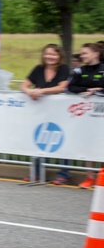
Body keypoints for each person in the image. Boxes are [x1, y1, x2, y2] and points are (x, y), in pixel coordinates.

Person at [20, 44, 70, 184]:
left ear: (59, 56)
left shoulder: (64, 69)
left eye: (54, 54)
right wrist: (29, 92)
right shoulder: (38, 69)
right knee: (39, 139)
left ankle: (64, 173)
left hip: (61, 112)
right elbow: (24, 84)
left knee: (63, 139)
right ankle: (36, 172)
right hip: (41, 112)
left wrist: (41, 91)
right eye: (48, 54)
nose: (50, 57)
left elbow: (61, 87)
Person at [65, 43, 104, 189]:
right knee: (89, 145)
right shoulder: (79, 70)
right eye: (81, 53)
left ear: (95, 54)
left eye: (85, 53)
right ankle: (90, 177)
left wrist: (97, 91)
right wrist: (89, 89)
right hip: (88, 115)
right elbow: (70, 88)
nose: (82, 56)